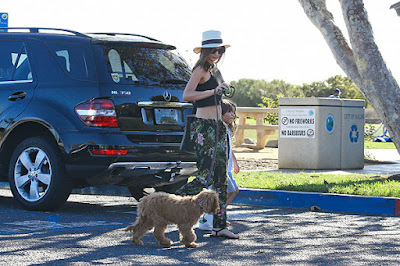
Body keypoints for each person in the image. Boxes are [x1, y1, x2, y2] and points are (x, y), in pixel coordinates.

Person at [176, 30, 239, 239]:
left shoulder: (215, 70)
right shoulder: (200, 69)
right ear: (204, 51)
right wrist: (213, 91)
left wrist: (223, 88)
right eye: (212, 50)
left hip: (218, 127)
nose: (216, 53)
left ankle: (219, 226)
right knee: (206, 175)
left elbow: (219, 91)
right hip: (204, 128)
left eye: (219, 50)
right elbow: (187, 95)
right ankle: (168, 202)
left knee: (220, 178)